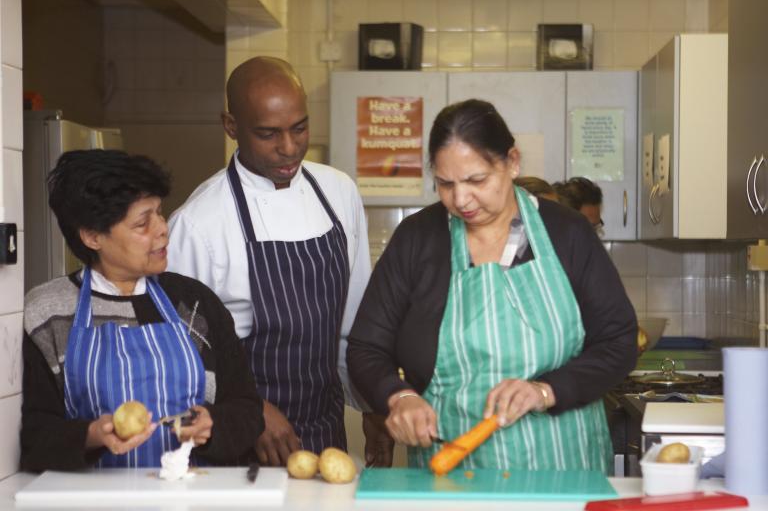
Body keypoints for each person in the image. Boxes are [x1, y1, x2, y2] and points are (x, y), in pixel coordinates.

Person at [347, 99, 637, 473]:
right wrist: (398, 396)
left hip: (563, 468)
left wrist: (545, 390)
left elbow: (619, 341)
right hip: (451, 472)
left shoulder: (567, 233)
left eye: (476, 180)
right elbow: (366, 348)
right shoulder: (418, 239)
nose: (461, 199)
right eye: (445, 184)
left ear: (512, 162)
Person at [167, 56, 390, 467]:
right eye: (268, 134)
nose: (288, 148)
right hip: (239, 440)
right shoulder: (198, 224)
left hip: (325, 430)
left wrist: (372, 406)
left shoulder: (338, 192)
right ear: (231, 126)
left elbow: (353, 321)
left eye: (299, 128)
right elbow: (177, 357)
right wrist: (250, 408)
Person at [20, 150, 264, 471]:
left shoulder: (194, 303)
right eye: (142, 223)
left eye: (159, 213)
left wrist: (213, 425)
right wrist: (91, 435)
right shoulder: (47, 313)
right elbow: (33, 437)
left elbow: (247, 409)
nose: (162, 229)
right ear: (93, 236)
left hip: (193, 499)